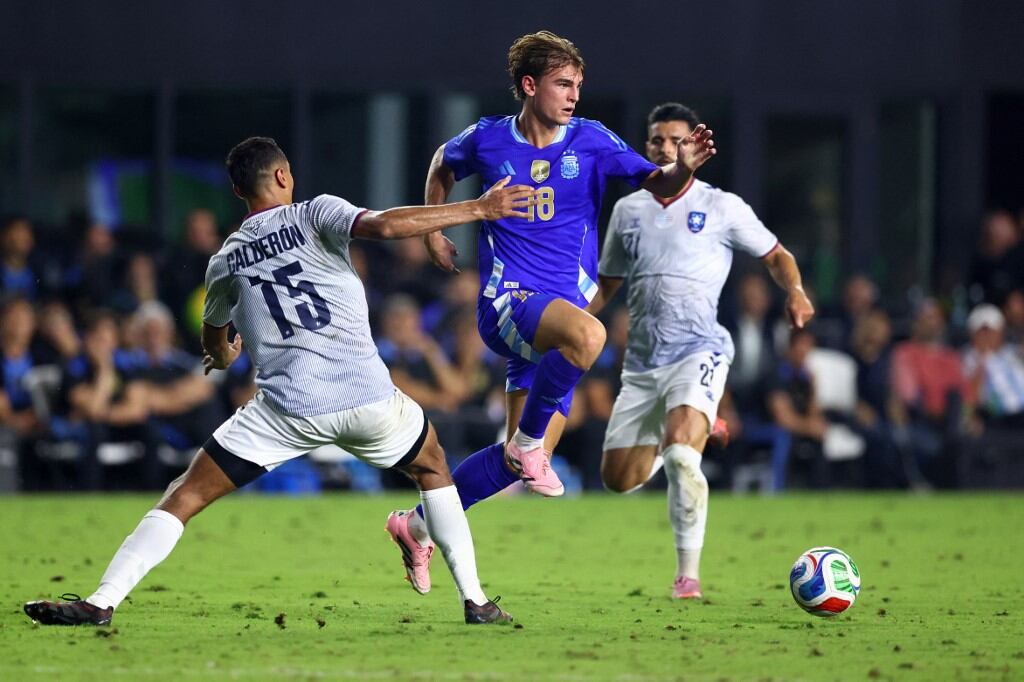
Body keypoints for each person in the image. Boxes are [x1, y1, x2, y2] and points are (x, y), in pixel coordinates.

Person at [23, 135, 536, 627]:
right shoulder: (314, 212)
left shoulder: (224, 258)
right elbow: (381, 226)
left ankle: (100, 601)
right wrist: (478, 209)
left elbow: (214, 339)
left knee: (184, 495)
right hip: (367, 397)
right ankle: (475, 601)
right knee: (432, 469)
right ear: (284, 175)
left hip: (286, 409)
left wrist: (223, 353)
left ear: (238, 191)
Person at [385, 32, 716, 594]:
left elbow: (660, 185)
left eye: (579, 85)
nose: (574, 95)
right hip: (508, 301)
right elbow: (444, 161)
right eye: (564, 83)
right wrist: (436, 228)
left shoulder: (592, 141)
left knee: (515, 458)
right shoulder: (489, 139)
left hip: (553, 316)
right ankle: (530, 446)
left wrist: (683, 167)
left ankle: (415, 528)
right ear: (529, 85)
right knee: (590, 336)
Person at [586, 103, 814, 599]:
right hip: (643, 364)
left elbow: (776, 255)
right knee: (617, 480)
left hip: (699, 349)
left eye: (673, 140)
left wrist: (794, 291)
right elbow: (608, 282)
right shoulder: (628, 210)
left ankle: (686, 575)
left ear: (693, 146)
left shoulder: (721, 207)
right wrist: (573, 322)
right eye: (655, 141)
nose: (663, 148)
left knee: (683, 461)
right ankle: (689, 430)